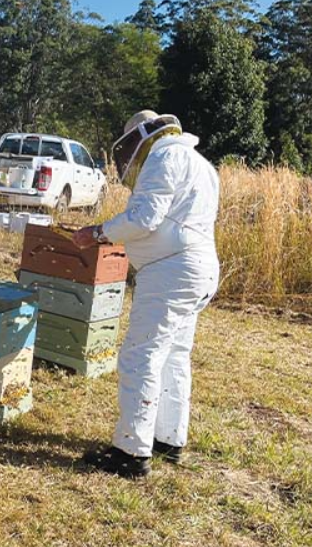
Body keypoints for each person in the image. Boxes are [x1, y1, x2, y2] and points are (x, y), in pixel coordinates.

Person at [75, 110, 220, 479]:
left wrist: (97, 232)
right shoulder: (201, 164)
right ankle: (169, 439)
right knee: (174, 355)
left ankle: (131, 451)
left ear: (141, 139)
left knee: (141, 354)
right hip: (198, 269)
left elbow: (144, 218)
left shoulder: (164, 156)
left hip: (172, 272)